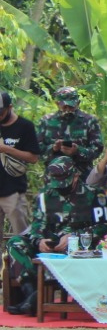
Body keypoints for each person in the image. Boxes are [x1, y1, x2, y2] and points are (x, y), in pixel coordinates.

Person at [5, 156, 107, 314]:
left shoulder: (94, 194)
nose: (60, 187)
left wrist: (75, 237)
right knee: (15, 243)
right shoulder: (45, 196)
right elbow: (37, 226)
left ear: (75, 176)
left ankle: (32, 301)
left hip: (78, 248)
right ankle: (31, 294)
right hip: (50, 245)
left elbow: (104, 226)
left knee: (83, 248)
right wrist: (39, 241)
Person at [35, 86, 103, 177]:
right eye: (65, 106)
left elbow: (97, 149)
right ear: (57, 104)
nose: (68, 110)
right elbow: (37, 150)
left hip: (81, 177)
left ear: (78, 103)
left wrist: (78, 151)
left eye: (71, 106)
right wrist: (53, 149)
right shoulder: (46, 121)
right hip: (54, 178)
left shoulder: (89, 121)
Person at [0, 90, 41, 238]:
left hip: (13, 192)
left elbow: (33, 158)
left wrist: (7, 149)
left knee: (22, 238)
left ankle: (20, 262)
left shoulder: (25, 126)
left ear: (10, 107)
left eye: (1, 112)